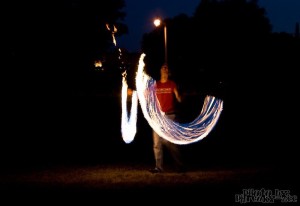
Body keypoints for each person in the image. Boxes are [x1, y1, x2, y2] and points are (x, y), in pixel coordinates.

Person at [149, 64, 185, 173]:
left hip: (170, 116)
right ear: (160, 70)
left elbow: (178, 98)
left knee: (171, 142)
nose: (165, 69)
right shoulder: (155, 85)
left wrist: (180, 97)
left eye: (167, 68)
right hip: (158, 118)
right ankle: (158, 167)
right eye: (163, 68)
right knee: (156, 143)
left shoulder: (172, 84)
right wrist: (134, 93)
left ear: (168, 72)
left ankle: (179, 166)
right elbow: (145, 94)